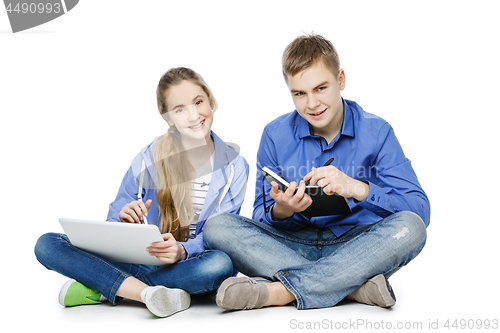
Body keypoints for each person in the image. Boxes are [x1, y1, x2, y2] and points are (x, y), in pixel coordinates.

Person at [203, 34, 430, 311]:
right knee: (217, 227)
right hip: (291, 246)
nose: (311, 104)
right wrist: (284, 210)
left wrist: (358, 188)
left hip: (357, 246)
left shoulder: (378, 132)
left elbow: (419, 210)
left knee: (412, 228)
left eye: (321, 88)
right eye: (299, 93)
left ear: (341, 80)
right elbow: (260, 217)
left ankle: (279, 292)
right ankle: (351, 287)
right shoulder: (275, 136)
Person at [35, 67, 249, 317]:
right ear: (168, 118)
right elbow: (112, 222)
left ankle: (108, 285)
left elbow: (222, 234)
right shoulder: (150, 156)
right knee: (46, 244)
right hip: (142, 260)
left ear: (211, 101)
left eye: (198, 102)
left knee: (220, 264)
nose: (193, 115)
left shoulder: (235, 166)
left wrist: (182, 250)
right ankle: (149, 294)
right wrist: (123, 220)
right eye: (179, 109)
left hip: (189, 265)